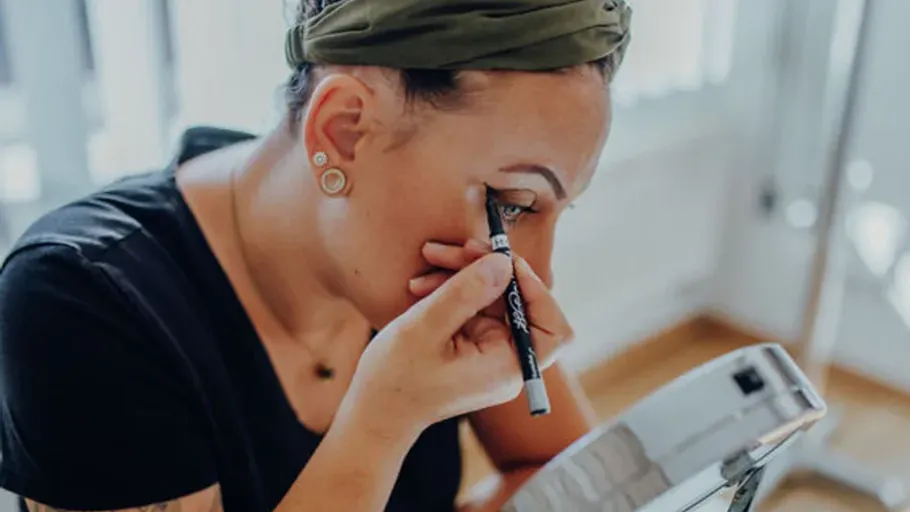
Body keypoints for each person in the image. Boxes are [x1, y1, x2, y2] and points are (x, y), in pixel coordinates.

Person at [0, 0, 631, 510]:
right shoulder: (78, 303)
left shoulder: (408, 263)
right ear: (342, 131)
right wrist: (383, 423)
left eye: (555, 211)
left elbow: (572, 478)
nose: (539, 273)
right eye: (513, 203)